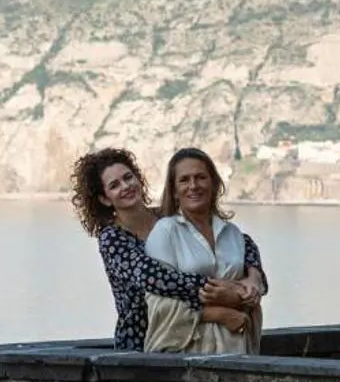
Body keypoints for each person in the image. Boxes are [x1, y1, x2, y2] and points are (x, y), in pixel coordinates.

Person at [71, 146, 253, 352]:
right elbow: (154, 278)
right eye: (114, 185)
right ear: (105, 198)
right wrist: (218, 289)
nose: (126, 186)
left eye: (128, 177)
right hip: (141, 343)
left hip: (189, 336)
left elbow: (239, 241)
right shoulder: (112, 238)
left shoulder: (166, 217)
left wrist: (253, 276)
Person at [144, 147, 266, 354]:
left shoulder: (233, 233)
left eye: (201, 177)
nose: (193, 186)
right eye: (184, 180)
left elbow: (252, 287)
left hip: (236, 347)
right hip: (186, 352)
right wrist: (220, 314)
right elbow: (158, 302)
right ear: (174, 191)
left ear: (214, 183)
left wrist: (245, 294)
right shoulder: (165, 231)